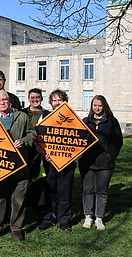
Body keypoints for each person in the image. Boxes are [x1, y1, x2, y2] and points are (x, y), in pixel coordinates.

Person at [0, 90, 36, 241]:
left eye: (4, 100)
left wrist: (23, 141)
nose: (2, 103)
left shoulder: (21, 117)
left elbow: (32, 134)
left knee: (18, 198)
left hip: (20, 165)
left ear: (9, 101)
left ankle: (16, 228)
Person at [80, 95, 123, 230]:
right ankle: (88, 217)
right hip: (87, 162)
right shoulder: (85, 121)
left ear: (104, 106)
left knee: (101, 191)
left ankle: (99, 218)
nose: (97, 108)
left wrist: (110, 156)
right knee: (87, 190)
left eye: (99, 105)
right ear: (91, 106)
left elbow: (117, 142)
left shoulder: (111, 121)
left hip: (105, 163)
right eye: (95, 105)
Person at [37, 89, 75, 231]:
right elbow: (38, 139)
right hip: (49, 161)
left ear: (64, 101)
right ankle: (48, 217)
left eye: (60, 100)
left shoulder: (72, 118)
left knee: (65, 191)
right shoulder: (44, 117)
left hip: (67, 161)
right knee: (49, 190)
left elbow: (78, 140)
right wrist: (43, 152)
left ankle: (64, 219)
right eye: (54, 100)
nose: (57, 103)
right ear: (51, 103)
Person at [22, 88, 50, 210]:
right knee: (25, 180)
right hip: (25, 150)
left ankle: (39, 206)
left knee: (40, 179)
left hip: (41, 151)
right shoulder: (22, 113)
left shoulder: (48, 115)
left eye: (37, 97)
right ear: (28, 99)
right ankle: (26, 205)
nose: (35, 100)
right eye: (32, 98)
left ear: (41, 99)